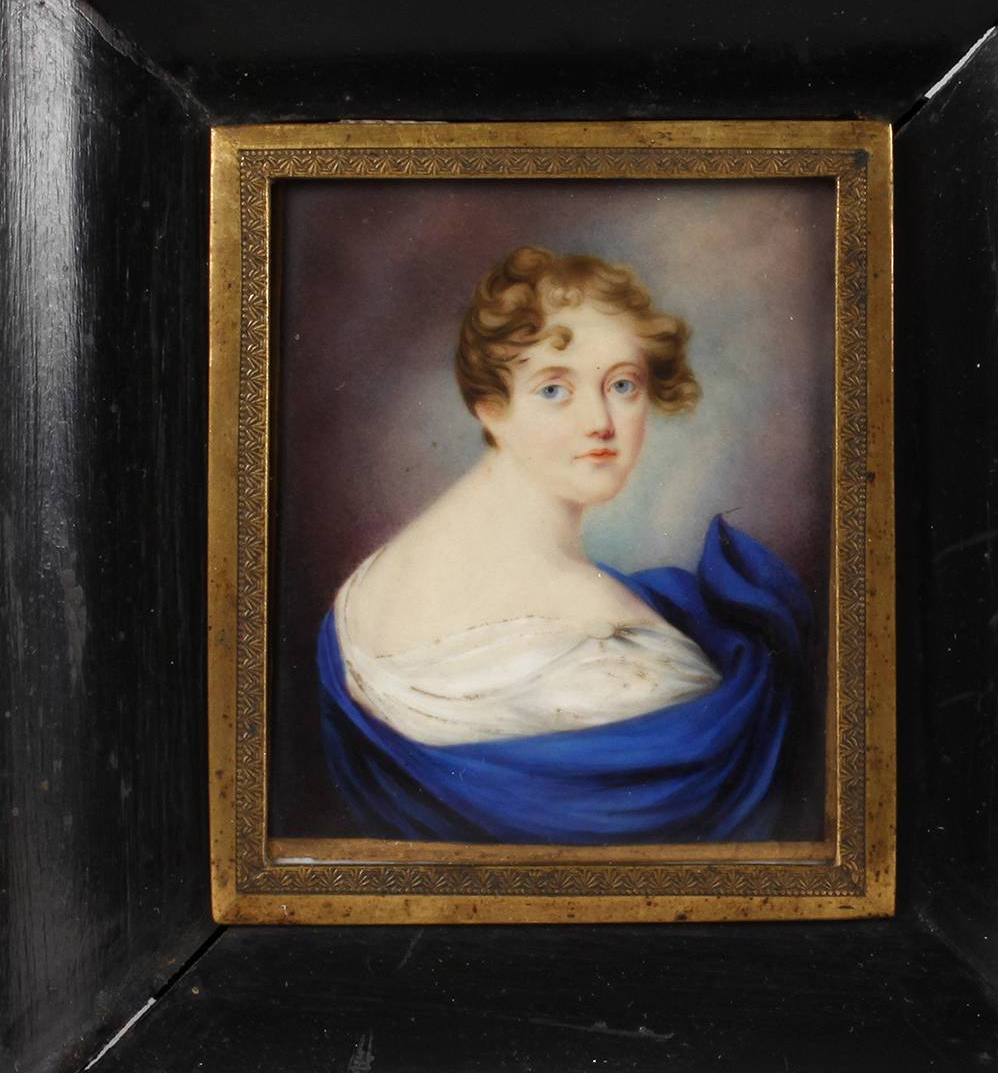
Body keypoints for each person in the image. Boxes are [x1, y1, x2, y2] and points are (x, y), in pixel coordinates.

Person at [317, 245, 810, 843]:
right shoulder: (615, 652)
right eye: (554, 389)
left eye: (622, 384)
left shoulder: (371, 584)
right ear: (492, 408)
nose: (599, 421)